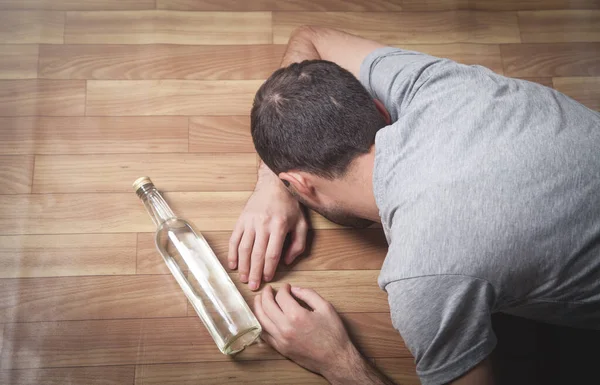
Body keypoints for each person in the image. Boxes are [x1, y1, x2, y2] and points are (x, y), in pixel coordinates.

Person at [227, 25, 600, 385]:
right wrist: (271, 184)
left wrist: (336, 360)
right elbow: (311, 37)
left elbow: (307, 38)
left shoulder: (423, 275)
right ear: (380, 108)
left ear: (301, 184)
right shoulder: (431, 83)